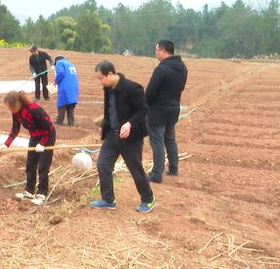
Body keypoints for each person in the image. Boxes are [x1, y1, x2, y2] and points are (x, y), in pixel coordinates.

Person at [91, 61, 156, 213]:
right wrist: (104, 124)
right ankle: (108, 199)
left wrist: (130, 124)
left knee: (135, 169)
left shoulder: (132, 88)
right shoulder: (108, 89)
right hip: (112, 135)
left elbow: (143, 109)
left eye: (101, 78)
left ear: (110, 74)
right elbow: (110, 110)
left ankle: (148, 199)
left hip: (130, 137)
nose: (101, 82)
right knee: (103, 164)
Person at [145, 40, 188, 183]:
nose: (156, 53)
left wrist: (144, 104)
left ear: (163, 51)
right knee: (170, 139)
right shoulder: (182, 67)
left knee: (157, 141)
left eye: (156, 50)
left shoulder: (161, 69)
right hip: (173, 108)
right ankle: (174, 168)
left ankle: (157, 174)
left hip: (158, 111)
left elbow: (150, 92)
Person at [3, 90, 56, 206]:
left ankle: (42, 193)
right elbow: (15, 130)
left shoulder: (34, 110)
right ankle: (29, 191)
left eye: (10, 107)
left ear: (17, 104)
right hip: (34, 137)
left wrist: (42, 143)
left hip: (47, 136)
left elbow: (50, 128)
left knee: (43, 167)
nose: (9, 110)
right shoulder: (15, 113)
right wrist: (6, 144)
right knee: (30, 165)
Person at [53, 55, 79, 126]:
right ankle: (71, 123)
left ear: (56, 60)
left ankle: (59, 121)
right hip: (74, 86)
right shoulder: (71, 64)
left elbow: (61, 72)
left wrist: (55, 81)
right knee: (70, 104)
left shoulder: (59, 63)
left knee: (62, 103)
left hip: (65, 86)